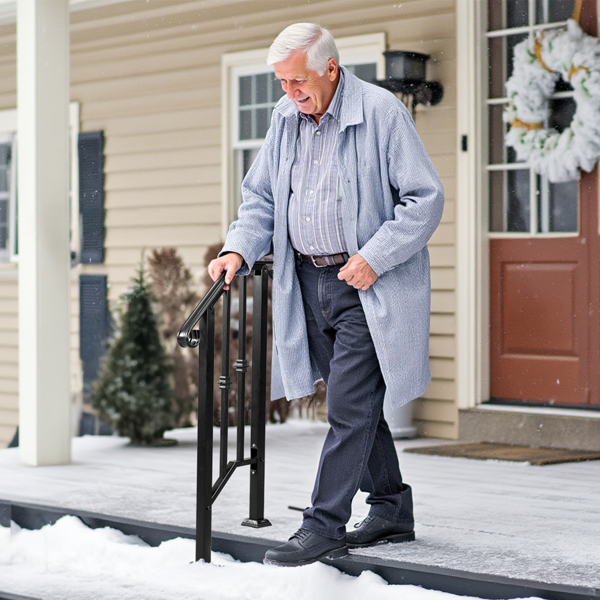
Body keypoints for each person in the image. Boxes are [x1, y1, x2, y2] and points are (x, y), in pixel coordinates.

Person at [208, 23, 444, 567]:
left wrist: (375, 257)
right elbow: (261, 197)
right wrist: (238, 249)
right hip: (310, 282)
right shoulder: (285, 119)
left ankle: (324, 525)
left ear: (331, 69)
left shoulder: (383, 112)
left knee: (346, 406)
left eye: (297, 80)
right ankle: (390, 507)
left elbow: (424, 199)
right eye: (282, 83)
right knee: (355, 405)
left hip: (368, 284)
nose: (288, 92)